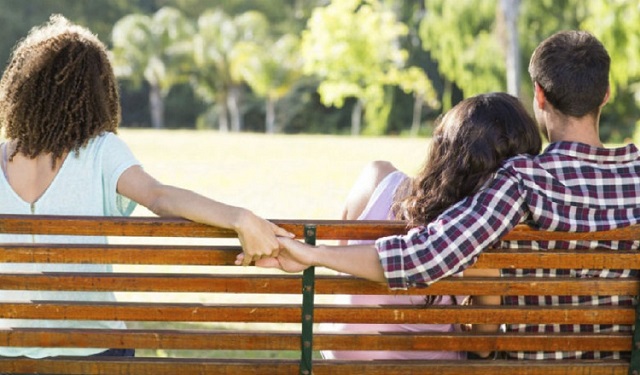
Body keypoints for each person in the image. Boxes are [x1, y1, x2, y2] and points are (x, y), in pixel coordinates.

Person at [250, 30, 640, 360]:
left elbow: (424, 256)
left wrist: (314, 253)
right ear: (605, 95)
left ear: (539, 95)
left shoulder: (522, 180)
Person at [0, 15, 292, 359]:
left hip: (10, 352)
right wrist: (240, 217)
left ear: (25, 88)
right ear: (96, 92)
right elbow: (159, 196)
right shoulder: (100, 150)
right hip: (92, 351)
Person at [320, 92, 541, 361]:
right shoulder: (478, 239)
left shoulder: (375, 177)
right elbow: (483, 346)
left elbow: (341, 270)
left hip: (341, 356)